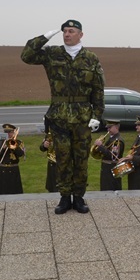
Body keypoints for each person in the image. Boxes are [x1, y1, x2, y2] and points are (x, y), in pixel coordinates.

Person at [21, 19, 105, 214]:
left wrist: (97, 115)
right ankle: (65, 197)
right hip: (59, 117)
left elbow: (98, 89)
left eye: (71, 31)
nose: (67, 34)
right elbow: (26, 56)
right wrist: (45, 37)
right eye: (65, 31)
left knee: (81, 159)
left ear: (80, 35)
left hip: (82, 118)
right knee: (62, 158)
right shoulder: (52, 53)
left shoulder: (90, 58)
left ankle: (79, 197)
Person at [0, 123, 26, 195]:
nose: (8, 134)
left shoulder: (18, 142)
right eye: (6, 132)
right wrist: (2, 148)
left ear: (14, 133)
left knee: (15, 191)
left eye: (10, 132)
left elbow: (21, 154)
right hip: (2, 169)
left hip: (13, 170)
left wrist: (14, 146)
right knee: (0, 191)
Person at [92, 120, 125, 191]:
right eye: (107, 127)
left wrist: (101, 146)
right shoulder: (111, 138)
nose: (108, 129)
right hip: (107, 169)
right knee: (105, 188)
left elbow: (113, 156)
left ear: (116, 127)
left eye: (110, 127)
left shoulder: (117, 141)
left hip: (112, 169)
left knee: (111, 189)